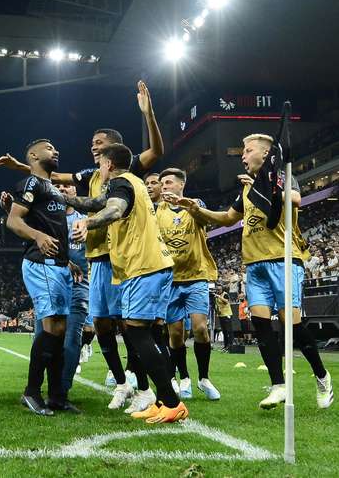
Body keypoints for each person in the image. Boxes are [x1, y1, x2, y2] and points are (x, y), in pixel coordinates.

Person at [0, 81, 165, 411]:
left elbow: (155, 151)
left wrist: (148, 115)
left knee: (124, 326)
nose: (93, 148)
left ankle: (134, 387)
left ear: (115, 150)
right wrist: (22, 174)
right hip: (84, 261)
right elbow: (46, 187)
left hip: (114, 260)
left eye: (99, 144)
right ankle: (105, 384)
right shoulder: (87, 176)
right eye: (91, 144)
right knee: (86, 326)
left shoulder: (122, 173)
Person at [164, 133, 333, 409]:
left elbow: (295, 200)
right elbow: (228, 218)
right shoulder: (245, 189)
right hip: (254, 264)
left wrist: (258, 185)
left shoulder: (282, 175)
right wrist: (195, 209)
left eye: (248, 150)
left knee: (291, 326)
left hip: (284, 259)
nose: (242, 155)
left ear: (265, 155)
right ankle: (278, 385)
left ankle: (322, 376)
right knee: (261, 324)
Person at [70, 143, 187, 423]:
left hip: (143, 266)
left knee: (137, 334)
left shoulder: (121, 184)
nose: (99, 168)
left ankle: (172, 403)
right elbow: (97, 203)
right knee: (144, 333)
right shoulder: (132, 182)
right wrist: (65, 200)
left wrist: (88, 224)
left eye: (101, 164)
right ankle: (161, 400)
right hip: (148, 266)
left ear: (109, 164)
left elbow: (113, 210)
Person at [4, 139, 82, 416]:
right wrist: (37, 236)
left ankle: (57, 397)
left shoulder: (53, 190)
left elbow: (53, 229)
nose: (56, 150)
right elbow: (13, 221)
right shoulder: (31, 184)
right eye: (49, 148)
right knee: (51, 329)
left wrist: (68, 262)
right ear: (34, 155)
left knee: (58, 332)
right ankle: (32, 392)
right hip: (41, 263)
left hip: (59, 265)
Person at [157, 168, 221, 401]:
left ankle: (203, 378)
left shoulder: (195, 204)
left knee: (200, 328)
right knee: (175, 335)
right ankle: (182, 378)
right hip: (170, 280)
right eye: (162, 183)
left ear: (181, 185)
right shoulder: (158, 210)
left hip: (196, 276)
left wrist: (186, 204)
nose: (164, 187)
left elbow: (205, 220)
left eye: (169, 182)